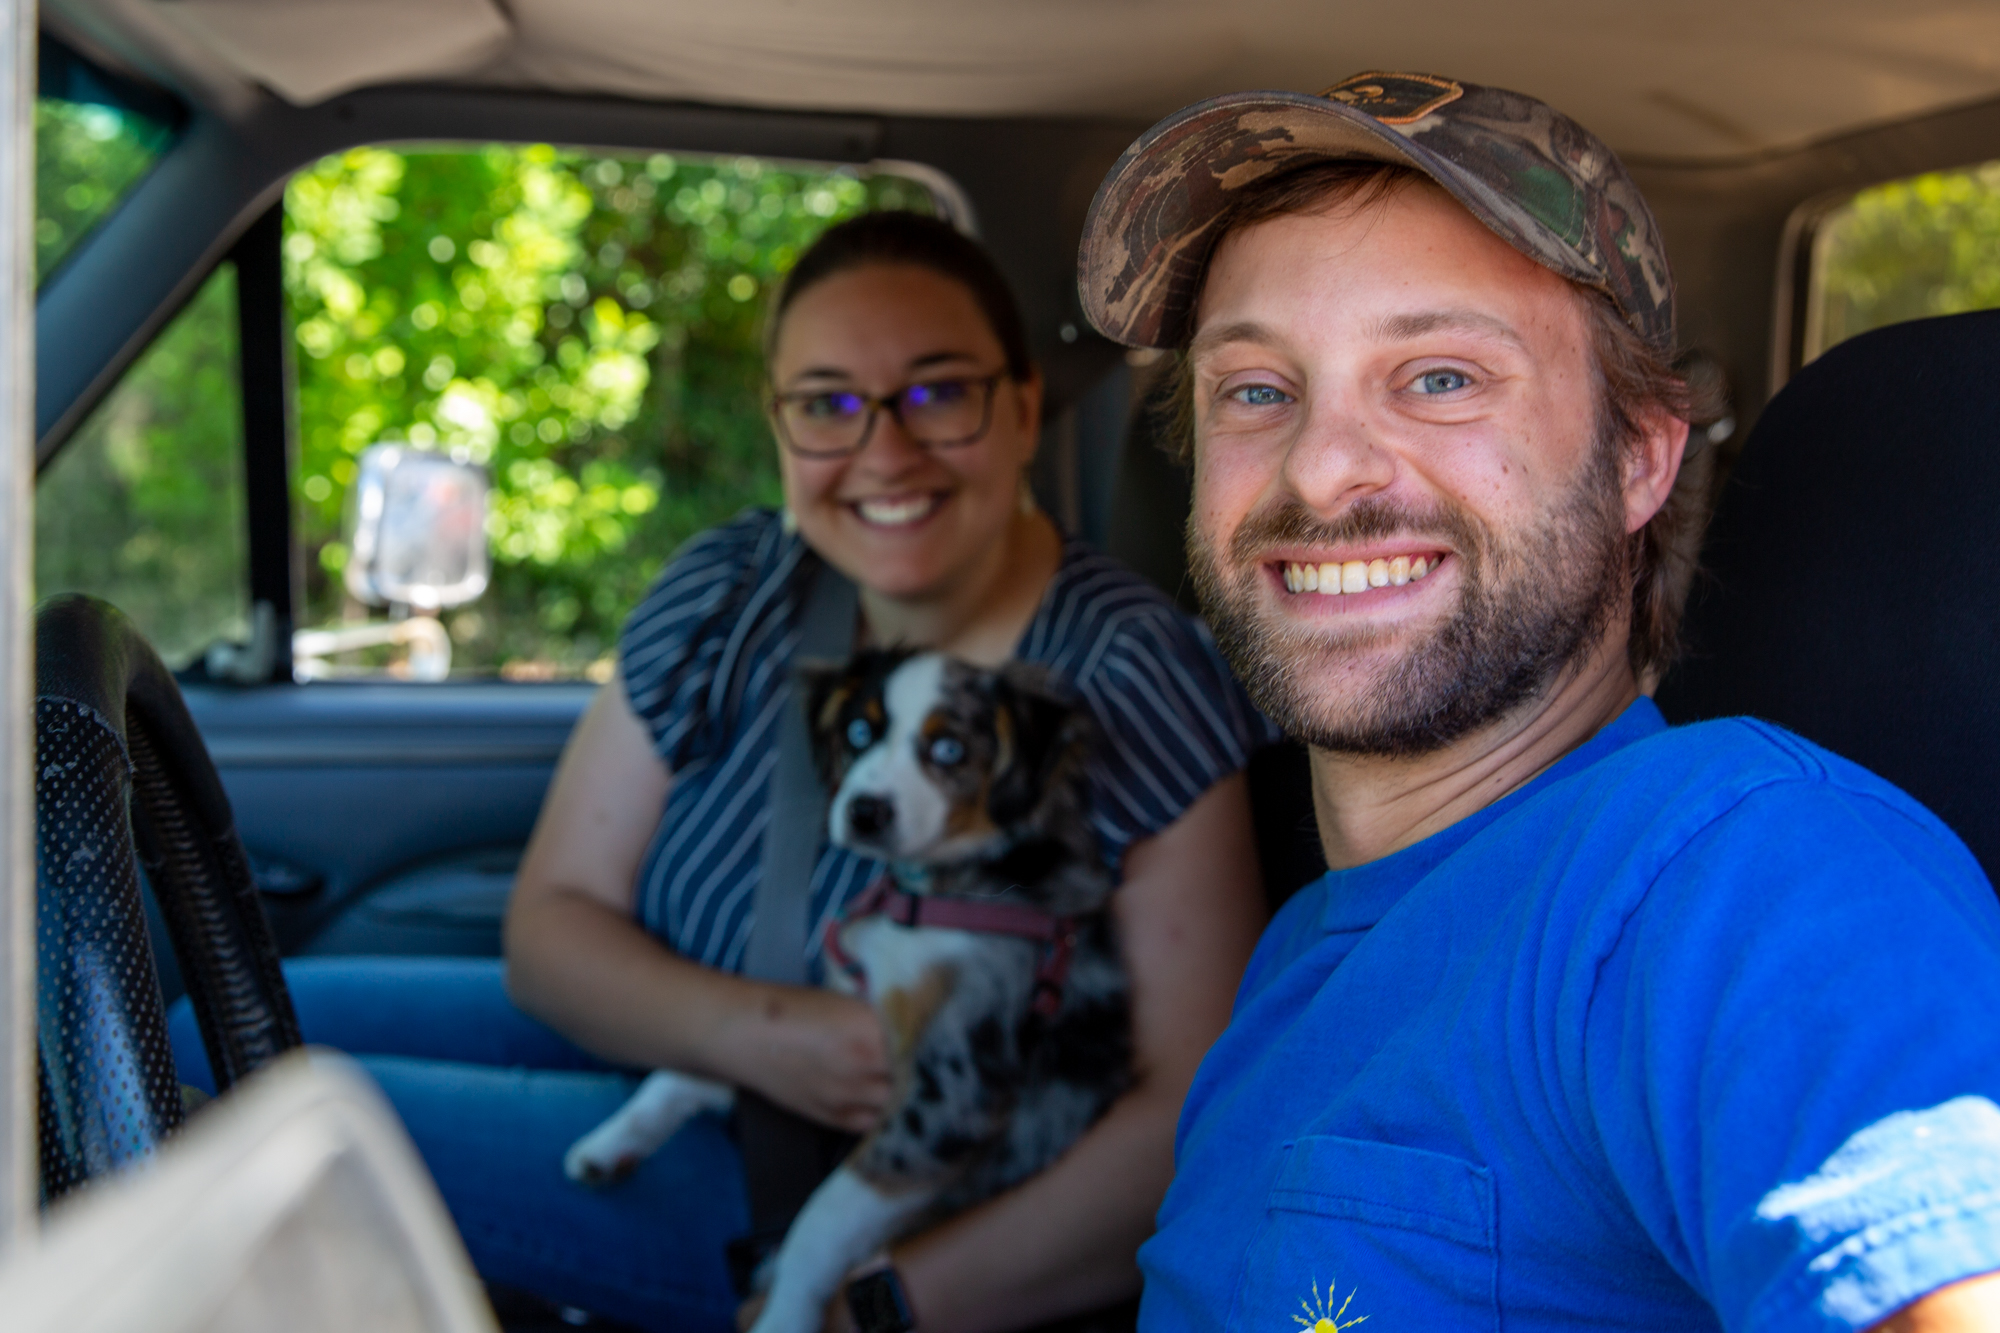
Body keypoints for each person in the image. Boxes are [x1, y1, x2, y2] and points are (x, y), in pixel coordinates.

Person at [176, 211, 1274, 1333]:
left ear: (1022, 407)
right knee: (194, 1027)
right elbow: (553, 923)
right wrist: (765, 1035)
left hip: (826, 1193)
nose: (883, 451)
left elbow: (1192, 1110)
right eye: (827, 404)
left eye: (938, 391)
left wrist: (874, 1305)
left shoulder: (1132, 674)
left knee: (228, 1120)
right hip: (667, 1051)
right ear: (779, 424)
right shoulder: (733, 587)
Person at [1071, 72, 2000, 1333]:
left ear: (1638, 459)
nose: (1320, 467)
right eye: (1256, 390)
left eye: (1439, 377)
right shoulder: (1300, 958)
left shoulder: (1734, 871)